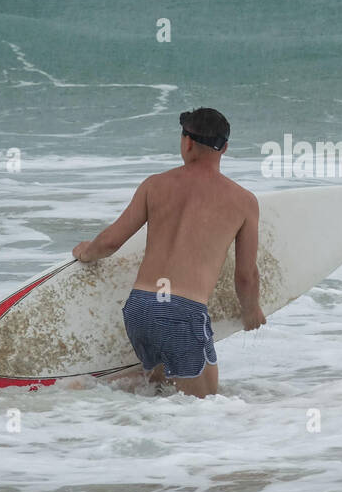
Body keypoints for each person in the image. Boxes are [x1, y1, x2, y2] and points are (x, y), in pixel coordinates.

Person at [72, 108, 266, 397]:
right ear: (224, 147)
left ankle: (87, 389)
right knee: (207, 406)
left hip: (139, 307)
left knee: (156, 389)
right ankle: (85, 390)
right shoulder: (244, 202)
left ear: (186, 142)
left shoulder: (155, 185)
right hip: (182, 312)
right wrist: (251, 310)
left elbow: (111, 242)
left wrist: (86, 252)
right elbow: (246, 275)